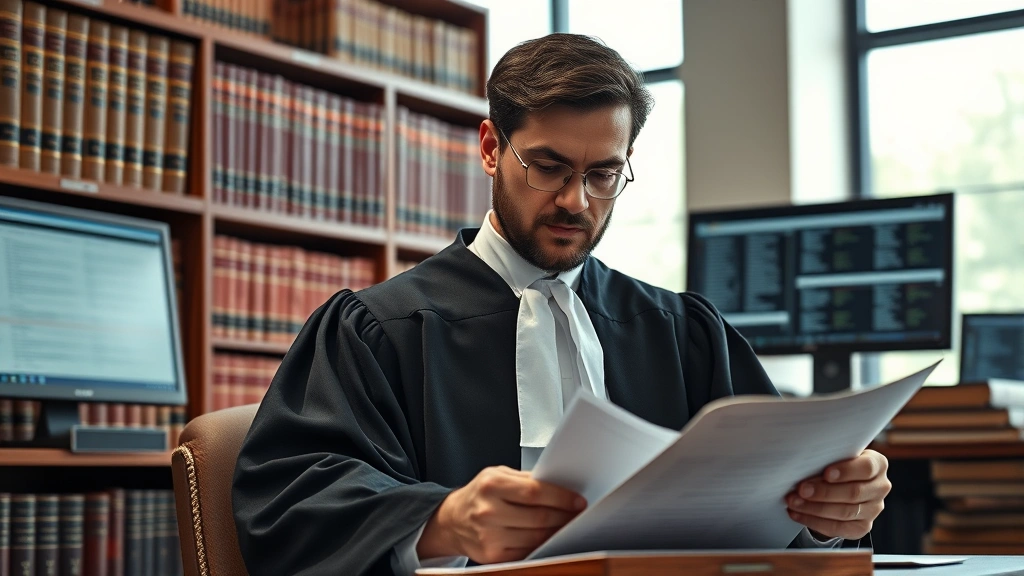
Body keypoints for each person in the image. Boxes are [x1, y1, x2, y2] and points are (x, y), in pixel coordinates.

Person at [232, 33, 891, 576]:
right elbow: (293, 503)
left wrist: (832, 515)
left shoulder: (680, 330)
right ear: (492, 148)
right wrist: (440, 521)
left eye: (603, 174)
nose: (577, 201)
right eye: (548, 167)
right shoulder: (378, 331)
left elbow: (779, 512)